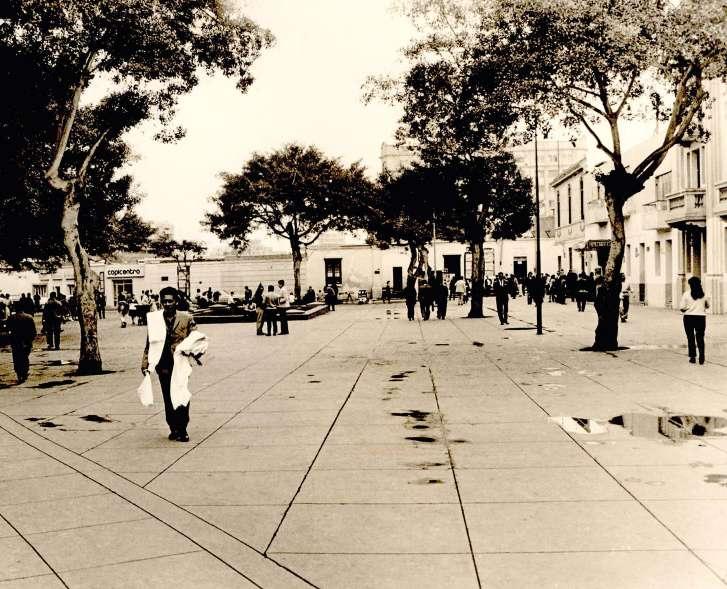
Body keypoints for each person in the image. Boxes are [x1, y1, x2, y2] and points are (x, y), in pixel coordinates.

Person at [141, 286, 197, 442]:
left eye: (170, 301)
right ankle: (173, 427)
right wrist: (145, 363)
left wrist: (193, 351)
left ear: (176, 302)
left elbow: (195, 337)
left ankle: (182, 428)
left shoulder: (186, 317)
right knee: (167, 397)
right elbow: (149, 343)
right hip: (163, 363)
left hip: (181, 363)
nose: (167, 304)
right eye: (164, 301)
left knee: (182, 395)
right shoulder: (155, 320)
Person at [680, 276, 709, 365]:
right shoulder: (703, 295)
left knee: (690, 338)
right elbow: (707, 306)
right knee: (700, 337)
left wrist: (688, 309)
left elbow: (682, 308)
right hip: (701, 318)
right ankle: (702, 356)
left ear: (690, 285)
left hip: (689, 318)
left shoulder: (686, 294)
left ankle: (692, 357)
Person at [7, 306, 36, 383]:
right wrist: (31, 340)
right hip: (26, 341)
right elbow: (33, 331)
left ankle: (19, 373)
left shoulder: (11, 318)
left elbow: (8, 330)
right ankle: (24, 372)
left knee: (16, 357)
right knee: (25, 357)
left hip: (15, 341)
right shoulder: (29, 317)